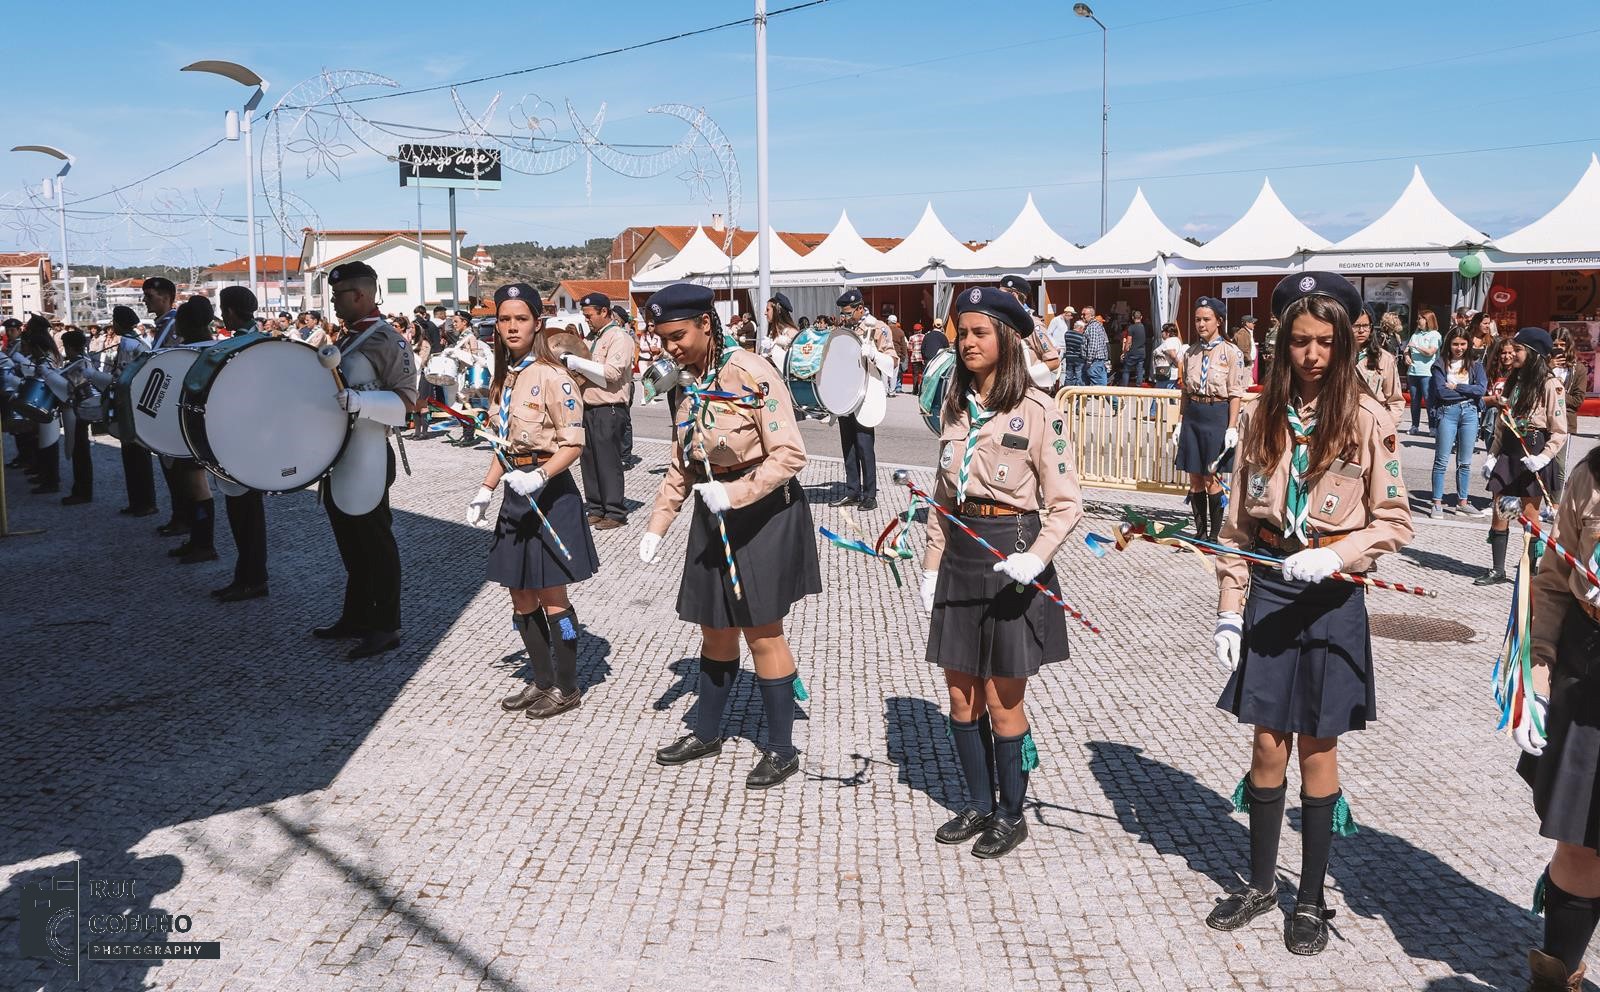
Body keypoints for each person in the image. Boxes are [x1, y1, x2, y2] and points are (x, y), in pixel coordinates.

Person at [1208, 271, 1413, 955]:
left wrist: (1340, 555)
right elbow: (1235, 528)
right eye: (1300, 341)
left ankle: (1311, 899)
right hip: (1271, 585)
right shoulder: (1258, 416)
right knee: (1268, 742)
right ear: (1281, 343)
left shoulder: (1367, 419)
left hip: (1329, 595)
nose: (1313, 354)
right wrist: (1230, 611)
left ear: (1344, 344)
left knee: (1318, 746)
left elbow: (1395, 523)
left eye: (1325, 341)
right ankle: (1262, 882)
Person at [918, 286, 1081, 859]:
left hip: (1013, 555)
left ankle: (1012, 813)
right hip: (962, 553)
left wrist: (1037, 557)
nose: (966, 342)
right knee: (960, 694)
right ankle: (979, 802)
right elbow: (942, 496)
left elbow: (1066, 504)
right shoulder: (954, 407)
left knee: (1001, 694)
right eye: (962, 332)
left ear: (1006, 340)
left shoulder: (1038, 410)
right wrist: (931, 566)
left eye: (979, 333)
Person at [638, 282, 821, 789]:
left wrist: (737, 494)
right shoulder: (688, 379)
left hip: (762, 513)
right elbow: (683, 460)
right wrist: (658, 524)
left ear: (705, 323)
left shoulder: (751, 372)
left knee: (763, 630)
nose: (670, 347)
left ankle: (782, 749)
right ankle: (708, 731)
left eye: (678, 336)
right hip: (711, 509)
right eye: (662, 338)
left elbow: (790, 454)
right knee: (714, 628)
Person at [467, 283, 601, 720]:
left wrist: (541, 474)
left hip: (550, 492)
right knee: (520, 595)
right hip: (515, 494)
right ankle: (540, 681)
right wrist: (487, 489)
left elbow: (574, 443)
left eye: (520, 318)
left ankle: (567, 684)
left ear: (536, 324)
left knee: (552, 597)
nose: (511, 327)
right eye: (504, 319)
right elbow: (502, 446)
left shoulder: (552, 376)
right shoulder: (505, 378)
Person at [1512, 446, 1600, 992]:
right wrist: (1537, 678)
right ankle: (1556, 980)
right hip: (1586, 665)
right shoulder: (1590, 475)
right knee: (1580, 838)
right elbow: (1552, 578)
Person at [313, 261, 418, 659]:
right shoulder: (346, 337)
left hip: (369, 453)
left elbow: (407, 402)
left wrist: (362, 401)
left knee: (376, 543)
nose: (335, 302)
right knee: (351, 542)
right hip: (339, 452)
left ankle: (386, 623)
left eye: (339, 295)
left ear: (360, 294)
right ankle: (356, 616)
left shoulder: (389, 340)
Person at [1476, 328, 1568, 586]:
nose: (1512, 354)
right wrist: (1492, 455)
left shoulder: (1550, 384)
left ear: (1533, 353)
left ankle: (1528, 568)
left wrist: (1544, 457)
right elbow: (1502, 423)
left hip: (1533, 451)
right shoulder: (1513, 381)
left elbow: (1560, 430)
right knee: (1502, 510)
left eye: (1518, 349)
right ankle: (1497, 569)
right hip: (1509, 451)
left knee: (1528, 514)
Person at [1173, 296, 1249, 543]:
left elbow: (1236, 392)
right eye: (1197, 320)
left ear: (1219, 321)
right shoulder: (1191, 353)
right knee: (1194, 476)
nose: (1201, 324)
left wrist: (1232, 427)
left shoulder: (1231, 352)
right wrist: (1180, 421)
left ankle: (1215, 535)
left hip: (1217, 414)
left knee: (1211, 476)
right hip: (1194, 413)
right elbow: (1185, 391)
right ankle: (1200, 532)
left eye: (1206, 319)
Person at [211, 287, 271, 601]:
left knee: (244, 512)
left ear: (231, 311)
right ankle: (249, 575)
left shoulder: (238, 345)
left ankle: (252, 578)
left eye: (223, 309)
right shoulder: (263, 341)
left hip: (242, 440)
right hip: (257, 437)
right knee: (247, 511)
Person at [566, 292, 634, 530]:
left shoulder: (619, 337)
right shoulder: (593, 338)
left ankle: (615, 511)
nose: (587, 320)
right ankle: (596, 508)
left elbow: (613, 373)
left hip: (609, 407)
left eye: (590, 315)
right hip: (589, 406)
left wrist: (579, 363)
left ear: (604, 312)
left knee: (608, 462)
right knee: (589, 462)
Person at [165, 296, 219, 564]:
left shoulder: (183, 354)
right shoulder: (217, 349)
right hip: (204, 425)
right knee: (191, 485)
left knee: (197, 487)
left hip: (191, 427)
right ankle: (197, 539)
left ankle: (204, 543)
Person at [830, 288, 895, 510]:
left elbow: (893, 362)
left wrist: (875, 354)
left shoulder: (878, 328)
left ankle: (869, 494)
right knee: (848, 446)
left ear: (860, 308)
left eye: (848, 313)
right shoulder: (843, 329)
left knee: (864, 446)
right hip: (845, 395)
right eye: (843, 314)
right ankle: (852, 490)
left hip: (866, 395)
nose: (844, 317)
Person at [141, 278, 190, 538]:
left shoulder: (173, 324)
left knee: (177, 469)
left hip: (172, 404)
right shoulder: (163, 325)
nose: (145, 301)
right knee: (171, 469)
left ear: (166, 296)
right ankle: (179, 515)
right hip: (166, 404)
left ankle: (184, 518)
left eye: (149, 295)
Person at [1427, 325, 1487, 518]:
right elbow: (1441, 392)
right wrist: (1466, 390)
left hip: (1470, 413)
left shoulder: (1475, 365)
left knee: (1465, 462)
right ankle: (1436, 502)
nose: (1459, 348)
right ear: (1448, 344)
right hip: (1448, 412)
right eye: (1455, 344)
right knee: (1441, 460)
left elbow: (1480, 390)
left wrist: (1457, 386)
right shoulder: (1440, 364)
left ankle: (1462, 501)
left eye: (1462, 344)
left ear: (1468, 344)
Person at [17, 316, 63, 494]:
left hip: (46, 401)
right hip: (44, 399)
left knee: (48, 442)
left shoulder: (46, 358)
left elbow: (51, 377)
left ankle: (51, 480)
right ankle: (45, 475)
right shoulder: (47, 353)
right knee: (42, 441)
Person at [997, 275, 1059, 389]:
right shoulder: (1000, 322)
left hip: (1029, 390)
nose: (997, 297)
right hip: (1005, 389)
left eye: (1001, 294)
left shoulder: (1034, 325)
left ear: (1013, 295)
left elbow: (1054, 361)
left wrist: (1025, 375)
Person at [1550, 327, 1589, 505]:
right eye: (1555, 345)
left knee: (1558, 464)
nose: (1559, 348)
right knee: (1536, 463)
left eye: (1562, 345)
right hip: (1541, 420)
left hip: (1564, 421)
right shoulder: (1543, 365)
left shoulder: (1578, 369)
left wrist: (1557, 392)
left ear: (1569, 346)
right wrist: (1548, 369)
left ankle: (1554, 504)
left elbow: (1577, 400)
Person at [1352, 304, 1404, 429]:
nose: (1361, 330)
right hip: (1342, 427)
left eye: (1365, 326)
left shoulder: (1384, 359)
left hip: (1373, 427)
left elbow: (1395, 399)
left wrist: (1388, 425)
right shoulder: (1335, 356)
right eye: (1356, 326)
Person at [59, 329, 94, 505]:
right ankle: (80, 489)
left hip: (80, 410)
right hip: (80, 410)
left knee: (80, 452)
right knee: (79, 451)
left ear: (71, 347)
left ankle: (82, 491)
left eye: (66, 346)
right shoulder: (79, 362)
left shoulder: (79, 365)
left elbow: (74, 387)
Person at [1405, 308, 1442, 435]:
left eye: (1420, 318)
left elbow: (1430, 352)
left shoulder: (1435, 335)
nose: (1418, 321)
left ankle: (1433, 427)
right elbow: (1407, 349)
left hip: (1428, 373)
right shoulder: (1415, 334)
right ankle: (1414, 425)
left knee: (1429, 400)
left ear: (1427, 320)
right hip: (1413, 372)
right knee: (1415, 401)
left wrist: (1416, 346)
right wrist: (1407, 356)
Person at [1081, 306, 1109, 386]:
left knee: (1101, 389)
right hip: (1098, 362)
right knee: (1101, 387)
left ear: (1092, 315)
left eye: (1084, 314)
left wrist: (1089, 361)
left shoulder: (1092, 327)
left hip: (1095, 362)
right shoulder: (1097, 326)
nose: (1082, 316)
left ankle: (1114, 399)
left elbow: (1092, 345)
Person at [1121, 309, 1149, 387]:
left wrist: (1124, 352)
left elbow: (1129, 341)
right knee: (1140, 370)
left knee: (1126, 370)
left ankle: (1124, 387)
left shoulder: (1131, 328)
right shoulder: (1144, 327)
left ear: (1133, 317)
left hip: (1133, 352)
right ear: (1141, 317)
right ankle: (1138, 386)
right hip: (1142, 352)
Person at [1151, 323, 1184, 389]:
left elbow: (1172, 354)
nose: (1161, 333)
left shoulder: (1170, 341)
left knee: (1157, 396)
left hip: (1166, 374)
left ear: (1168, 333)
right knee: (1171, 396)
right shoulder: (1175, 340)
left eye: (1162, 331)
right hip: (1170, 374)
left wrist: (1178, 365)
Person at [1059, 318, 1088, 388]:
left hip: (1069, 358)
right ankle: (1080, 394)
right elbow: (1084, 347)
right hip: (1079, 359)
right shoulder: (1082, 337)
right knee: (1079, 377)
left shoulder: (1067, 333)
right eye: (1083, 329)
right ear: (1080, 328)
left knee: (1069, 376)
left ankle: (1067, 393)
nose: (1084, 331)